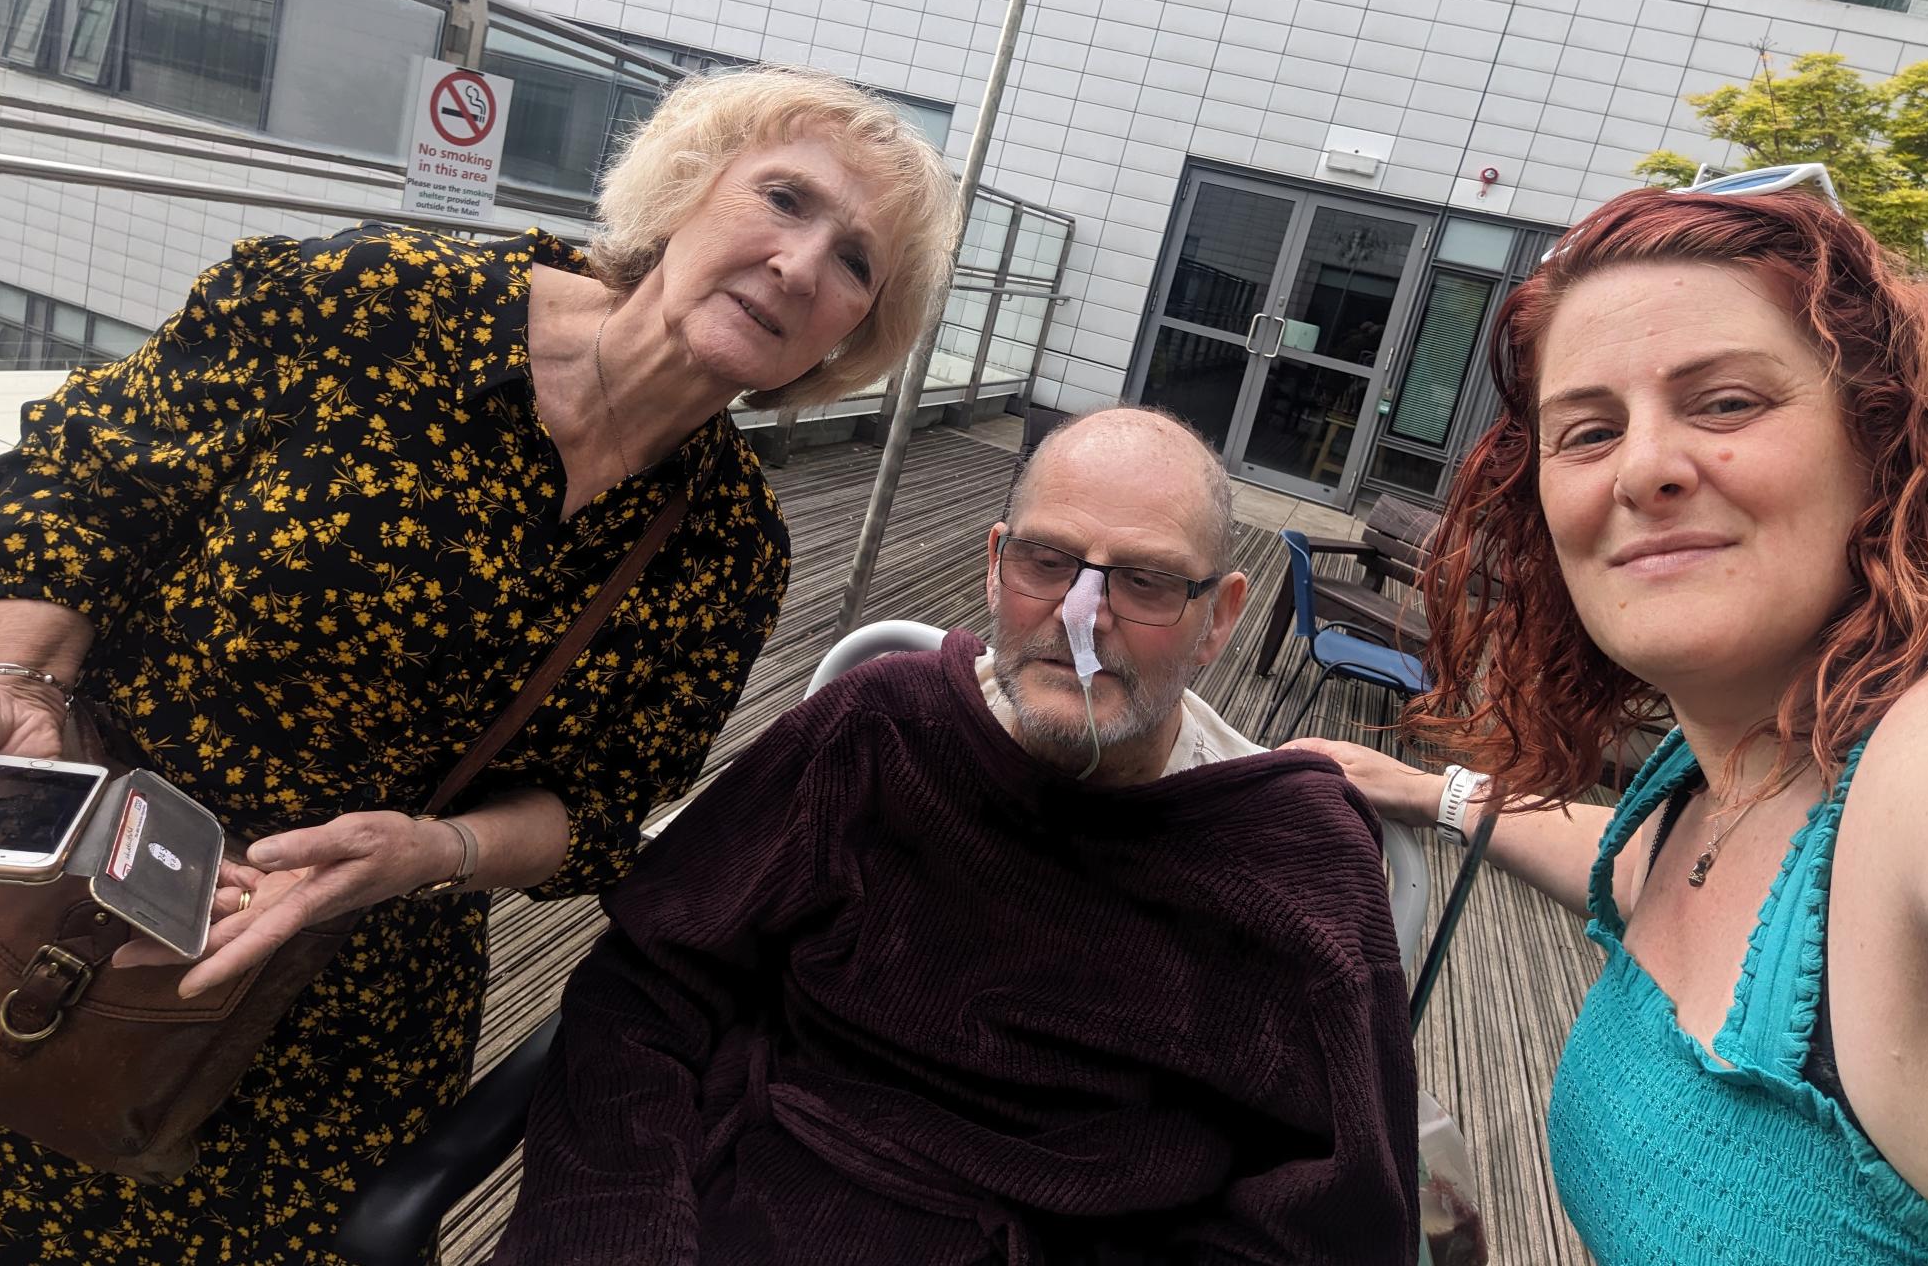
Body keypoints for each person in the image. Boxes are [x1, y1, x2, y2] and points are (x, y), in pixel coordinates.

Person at [0, 66, 961, 1264]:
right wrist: (8, 681)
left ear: (856, 332)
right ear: (688, 191)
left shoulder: (731, 548)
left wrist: (434, 852)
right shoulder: (378, 304)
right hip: (67, 894)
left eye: (856, 263)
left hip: (339, 1009)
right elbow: (84, 489)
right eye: (784, 199)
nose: (802, 265)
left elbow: (597, 811)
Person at [490, 406, 1420, 1265]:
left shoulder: (1293, 865)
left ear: (1218, 618)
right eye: (1046, 561)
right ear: (992, 564)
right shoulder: (879, 736)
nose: (1079, 617)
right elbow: (651, 977)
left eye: (1143, 581)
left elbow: (1333, 1220)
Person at [1295, 186, 1928, 1262]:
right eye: (1590, 430)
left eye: (1728, 403)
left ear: (1877, 443)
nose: (1643, 468)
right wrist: (1433, 791)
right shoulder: (1706, 778)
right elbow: (1639, 867)